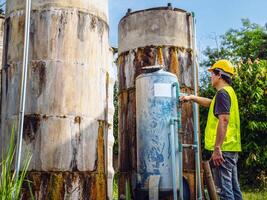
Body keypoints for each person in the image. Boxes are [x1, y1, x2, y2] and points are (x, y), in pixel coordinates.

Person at [180, 59, 243, 200]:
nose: (211, 76)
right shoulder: (227, 93)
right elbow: (211, 103)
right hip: (230, 148)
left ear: (219, 74)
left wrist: (217, 148)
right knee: (234, 188)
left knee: (225, 191)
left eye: (212, 74)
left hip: (223, 151)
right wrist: (191, 97)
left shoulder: (222, 94)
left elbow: (224, 120)